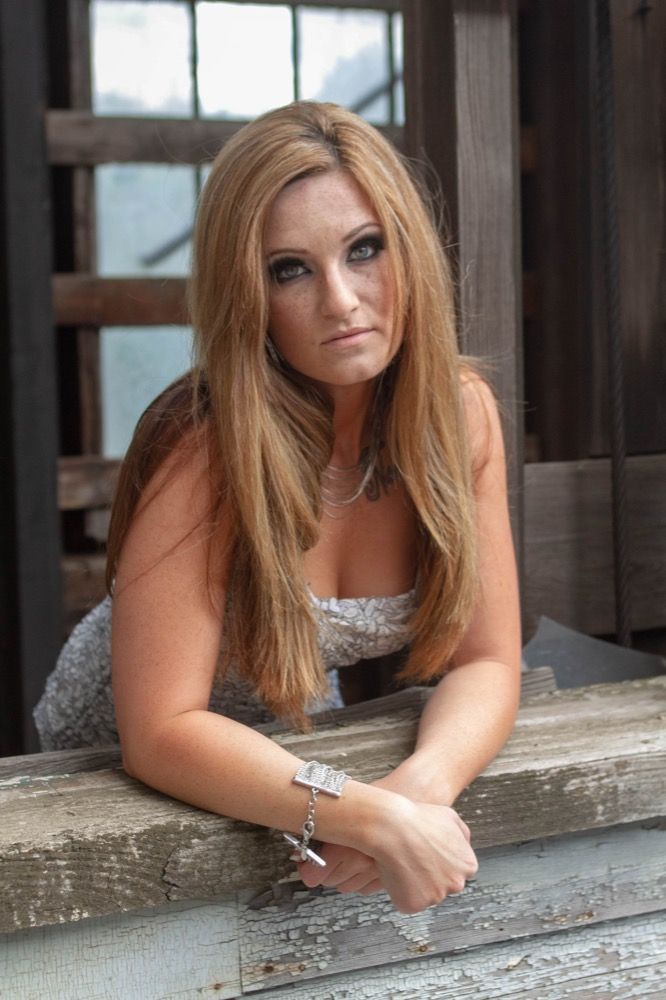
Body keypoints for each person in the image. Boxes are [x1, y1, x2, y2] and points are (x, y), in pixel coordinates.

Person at [35, 101, 521, 914]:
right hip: (119, 763)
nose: (341, 299)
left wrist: (415, 793)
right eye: (289, 269)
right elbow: (160, 731)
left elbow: (487, 661)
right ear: (247, 294)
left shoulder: (459, 415)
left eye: (365, 250)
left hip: (296, 737)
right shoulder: (206, 444)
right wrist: (367, 812)